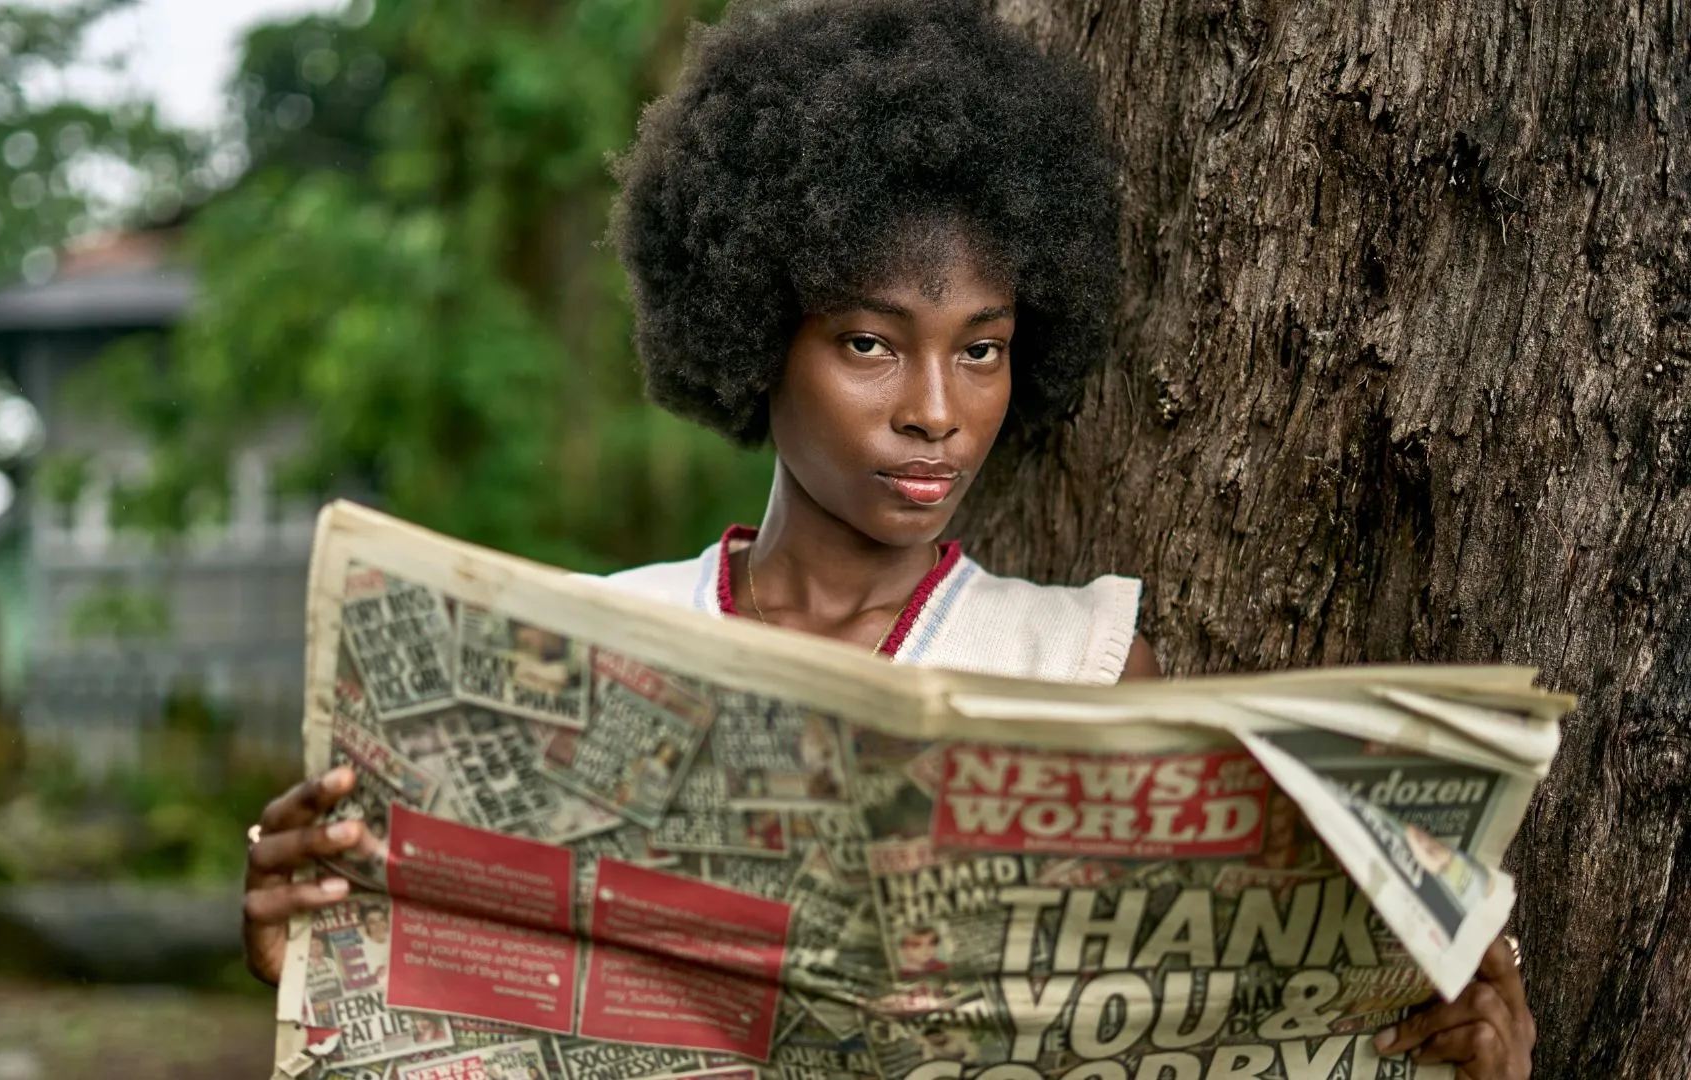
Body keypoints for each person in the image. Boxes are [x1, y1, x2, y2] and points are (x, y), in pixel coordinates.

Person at [240, 2, 1533, 1077]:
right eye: (870, 342)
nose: (934, 412)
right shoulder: (589, 641)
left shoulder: (1082, 663)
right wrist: (312, 944)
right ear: (758, 332)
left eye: (982, 349)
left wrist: (1450, 1048)